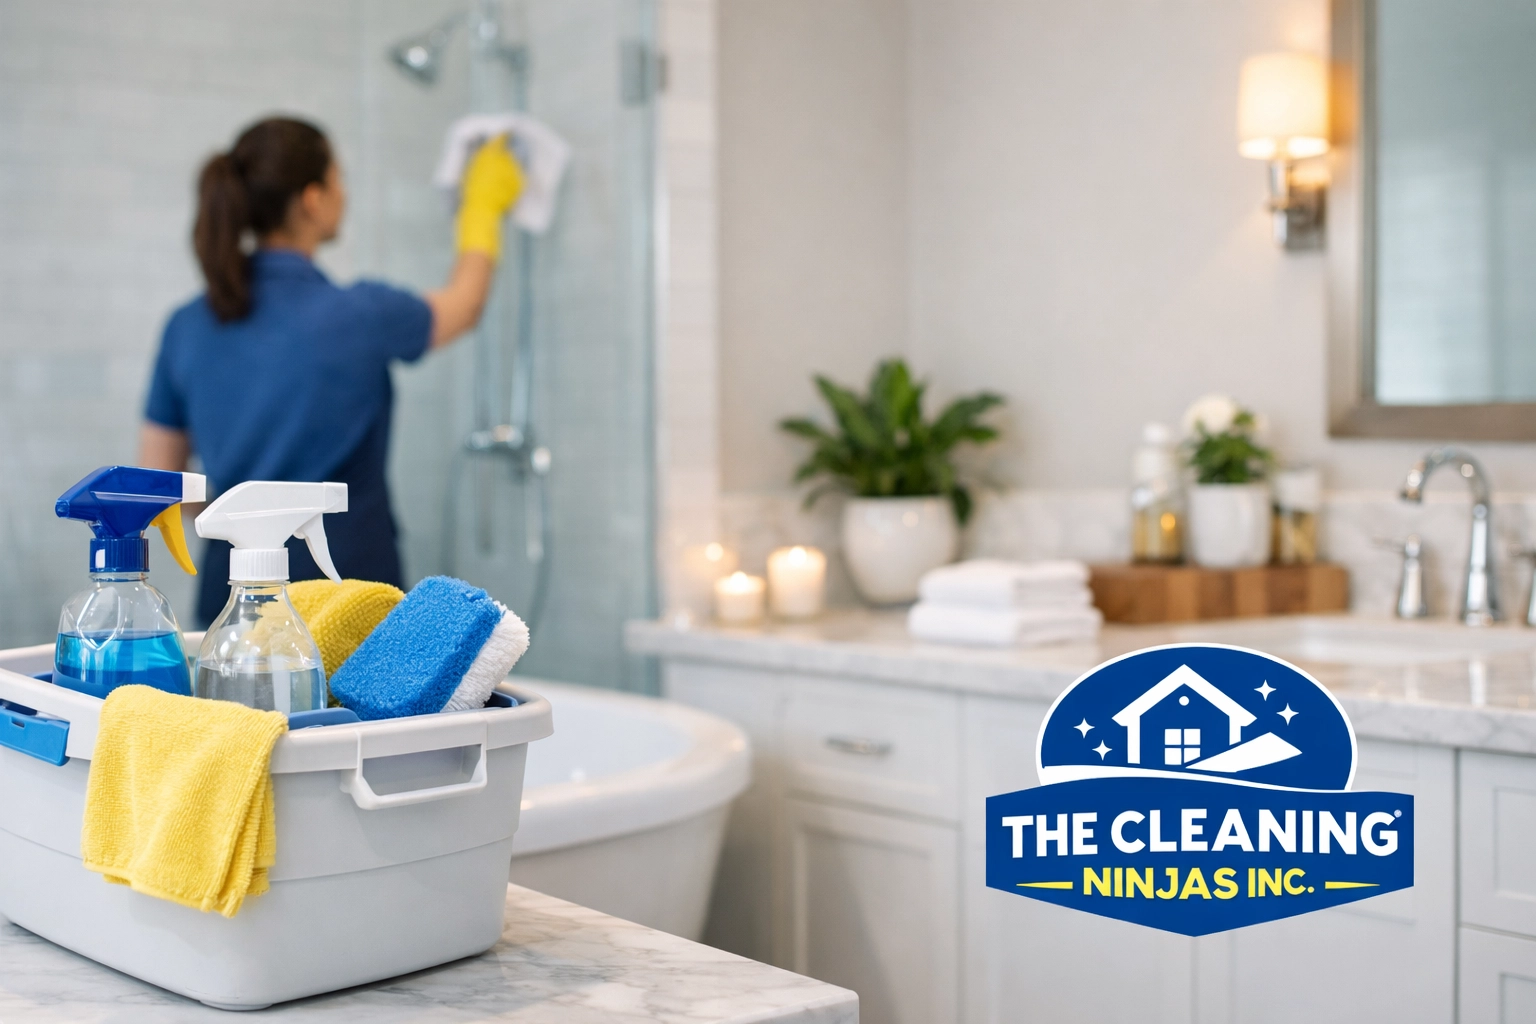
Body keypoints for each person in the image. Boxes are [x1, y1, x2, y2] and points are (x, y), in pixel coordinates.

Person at [138, 116, 522, 626]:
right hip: (351, 605)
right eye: (339, 179)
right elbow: (465, 304)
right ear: (312, 199)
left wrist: (248, 507)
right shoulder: (361, 314)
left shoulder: (186, 327)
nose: (346, 194)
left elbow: (164, 484)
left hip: (233, 610)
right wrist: (482, 210)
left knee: (239, 708)